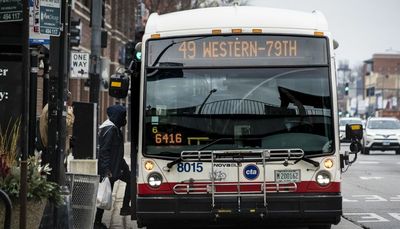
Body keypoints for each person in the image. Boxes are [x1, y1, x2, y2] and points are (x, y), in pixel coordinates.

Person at [94, 104, 131, 229]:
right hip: (110, 168)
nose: (124, 119)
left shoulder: (114, 128)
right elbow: (104, 151)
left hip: (118, 165)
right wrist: (106, 170)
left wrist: (122, 165)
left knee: (131, 180)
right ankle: (97, 223)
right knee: (105, 193)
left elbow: (116, 151)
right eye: (123, 116)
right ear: (117, 116)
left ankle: (125, 207)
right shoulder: (110, 130)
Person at [39, 91, 75, 166]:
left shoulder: (48, 106)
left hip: (48, 145)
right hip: (54, 147)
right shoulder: (55, 109)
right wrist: (70, 112)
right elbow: (65, 124)